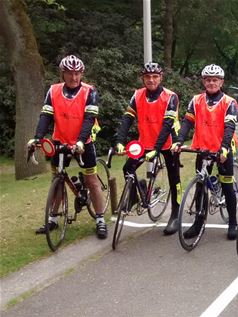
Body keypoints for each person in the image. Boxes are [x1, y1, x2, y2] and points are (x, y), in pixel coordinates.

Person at [28, 55, 107, 239]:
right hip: (60, 140)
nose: (74, 77)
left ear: (82, 73)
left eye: (77, 73)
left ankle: (100, 219)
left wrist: (80, 141)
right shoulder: (53, 90)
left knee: (92, 181)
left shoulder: (90, 91)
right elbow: (46, 116)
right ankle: (53, 219)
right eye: (70, 73)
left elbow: (89, 119)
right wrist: (37, 138)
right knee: (57, 180)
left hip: (83, 142)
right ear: (62, 73)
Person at [172, 64, 238, 240]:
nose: (211, 83)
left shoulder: (229, 102)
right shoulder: (195, 101)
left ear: (221, 82)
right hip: (202, 148)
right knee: (200, 186)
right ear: (203, 81)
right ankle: (198, 223)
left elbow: (230, 127)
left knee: (227, 185)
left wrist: (224, 148)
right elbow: (187, 122)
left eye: (215, 80)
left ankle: (233, 222)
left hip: (222, 149)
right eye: (208, 80)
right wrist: (179, 141)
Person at [115, 62, 181, 236]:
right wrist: (120, 141)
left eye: (155, 77)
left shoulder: (170, 96)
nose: (151, 80)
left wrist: (157, 149)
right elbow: (127, 118)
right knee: (127, 167)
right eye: (147, 77)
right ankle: (136, 195)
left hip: (167, 142)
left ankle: (175, 214)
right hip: (145, 142)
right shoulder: (137, 95)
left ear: (160, 78)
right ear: (143, 78)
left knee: (175, 179)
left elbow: (167, 125)